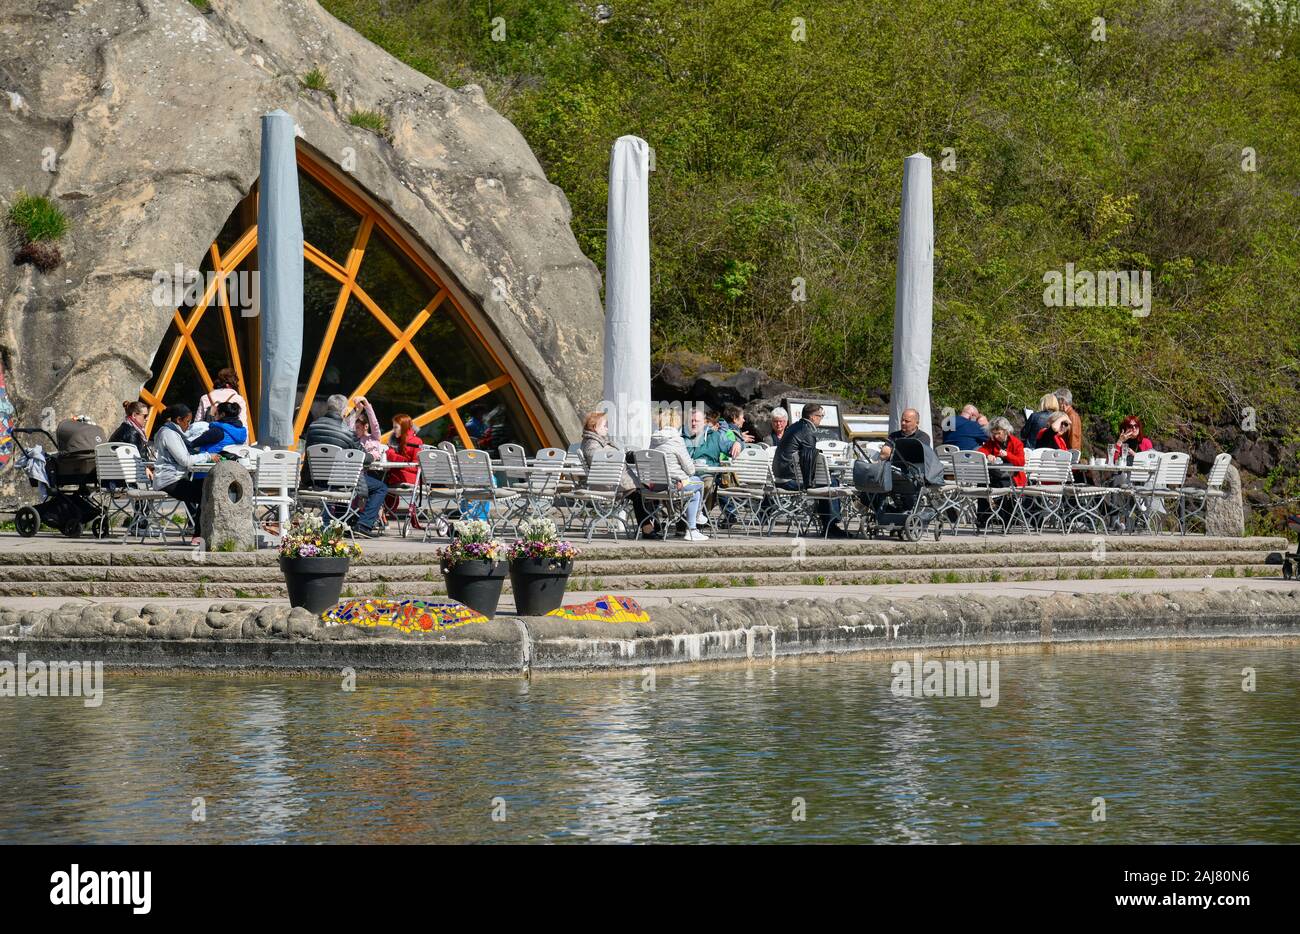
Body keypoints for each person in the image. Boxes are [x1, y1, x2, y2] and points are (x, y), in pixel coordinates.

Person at [303, 393, 387, 538]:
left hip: (316, 481)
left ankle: (340, 524)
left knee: (345, 484)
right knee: (381, 488)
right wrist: (373, 455)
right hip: (340, 481)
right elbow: (364, 459)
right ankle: (364, 525)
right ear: (343, 410)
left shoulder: (313, 427)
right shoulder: (347, 432)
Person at [774, 403, 845, 535]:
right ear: (812, 417)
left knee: (825, 482)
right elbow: (809, 459)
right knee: (832, 483)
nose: (821, 419)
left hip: (779, 477)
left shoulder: (794, 427)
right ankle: (831, 525)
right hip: (790, 480)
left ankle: (827, 523)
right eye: (820, 416)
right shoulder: (808, 432)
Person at [150, 403, 210, 544]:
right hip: (169, 481)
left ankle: (202, 532)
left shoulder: (171, 432)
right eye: (187, 421)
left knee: (207, 487)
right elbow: (185, 460)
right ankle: (198, 535)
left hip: (173, 478)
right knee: (206, 495)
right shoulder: (169, 434)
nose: (188, 425)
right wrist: (207, 456)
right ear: (178, 420)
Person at [580, 410, 647, 531]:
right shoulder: (591, 444)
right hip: (607, 484)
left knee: (646, 489)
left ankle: (652, 526)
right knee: (641, 493)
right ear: (595, 427)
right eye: (605, 425)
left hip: (612, 481)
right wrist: (622, 456)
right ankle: (648, 529)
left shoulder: (595, 441)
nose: (607, 428)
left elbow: (608, 457)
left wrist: (626, 456)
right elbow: (600, 461)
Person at [649, 407, 708, 541]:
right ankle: (693, 525)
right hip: (675, 485)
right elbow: (690, 469)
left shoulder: (653, 439)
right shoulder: (676, 440)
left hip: (656, 486)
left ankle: (693, 527)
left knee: (695, 491)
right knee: (698, 481)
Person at [383, 413, 422, 525]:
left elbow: (416, 465)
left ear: (404, 427)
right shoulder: (396, 439)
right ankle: (381, 514)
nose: (393, 430)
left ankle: (382, 513)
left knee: (379, 484)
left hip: (409, 477)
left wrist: (395, 458)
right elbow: (392, 453)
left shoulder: (416, 441)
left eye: (396, 427)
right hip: (397, 475)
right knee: (377, 481)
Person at [978, 416, 1026, 488]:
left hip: (1013, 477)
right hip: (997, 476)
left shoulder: (1016, 443)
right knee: (982, 484)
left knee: (998, 484)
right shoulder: (992, 441)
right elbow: (981, 450)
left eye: (998, 433)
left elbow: (1021, 462)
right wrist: (988, 455)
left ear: (1006, 431)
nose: (996, 436)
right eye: (994, 434)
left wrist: (1007, 455)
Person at [346, 395, 387, 460]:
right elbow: (348, 427)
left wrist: (366, 402)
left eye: (357, 427)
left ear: (366, 426)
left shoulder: (374, 437)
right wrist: (358, 410)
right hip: (360, 468)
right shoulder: (355, 440)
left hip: (374, 469)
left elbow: (374, 423)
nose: (355, 430)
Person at [1055, 387, 1083, 453]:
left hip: (1069, 457)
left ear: (1062, 401)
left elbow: (1073, 440)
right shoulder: (1067, 415)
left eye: (1057, 401)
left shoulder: (1072, 416)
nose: (1056, 404)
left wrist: (1072, 457)